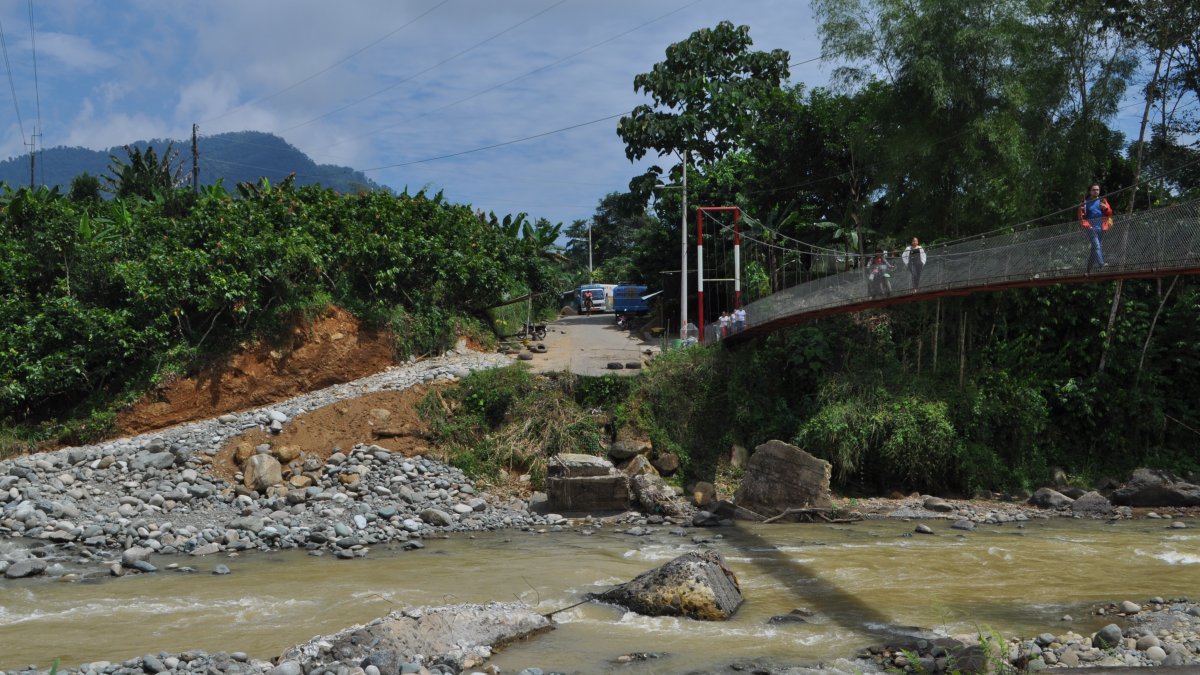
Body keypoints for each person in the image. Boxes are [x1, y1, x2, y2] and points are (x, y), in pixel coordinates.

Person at [1078, 183, 1112, 273]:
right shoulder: (1085, 203)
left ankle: (1088, 269)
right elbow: (1081, 217)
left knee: (1095, 248)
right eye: (1094, 190)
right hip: (1090, 228)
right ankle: (1102, 265)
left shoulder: (1103, 200)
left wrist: (1105, 209)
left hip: (1102, 227)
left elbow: (1109, 213)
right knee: (1097, 246)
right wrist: (1088, 226)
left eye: (1097, 190)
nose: (1096, 191)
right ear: (1090, 191)